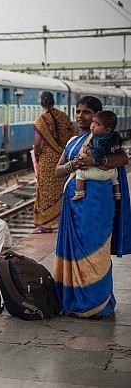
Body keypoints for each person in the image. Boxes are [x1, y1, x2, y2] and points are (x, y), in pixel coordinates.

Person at [54, 96, 131, 319]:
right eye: (78, 112)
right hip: (73, 204)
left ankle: (96, 304)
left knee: (94, 252)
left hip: (98, 205)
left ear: (97, 116)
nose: (80, 116)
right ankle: (72, 301)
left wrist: (94, 161)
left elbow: (123, 159)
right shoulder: (71, 142)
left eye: (86, 113)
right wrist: (72, 165)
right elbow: (59, 171)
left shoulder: (105, 139)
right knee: (73, 251)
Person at [31, 91, 77, 234]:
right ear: (53, 102)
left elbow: (37, 143)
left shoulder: (41, 120)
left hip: (47, 160)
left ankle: (45, 224)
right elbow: (73, 135)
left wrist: (36, 155)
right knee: (62, 189)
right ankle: (60, 221)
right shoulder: (63, 117)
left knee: (45, 191)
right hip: (63, 158)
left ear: (41, 103)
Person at [71, 110, 123, 201]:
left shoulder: (97, 139)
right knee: (115, 179)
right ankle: (117, 194)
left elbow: (97, 155)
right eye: (93, 122)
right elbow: (117, 147)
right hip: (111, 171)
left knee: (80, 173)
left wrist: (86, 150)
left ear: (107, 130)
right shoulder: (115, 136)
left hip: (100, 172)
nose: (93, 125)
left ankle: (79, 192)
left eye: (97, 124)